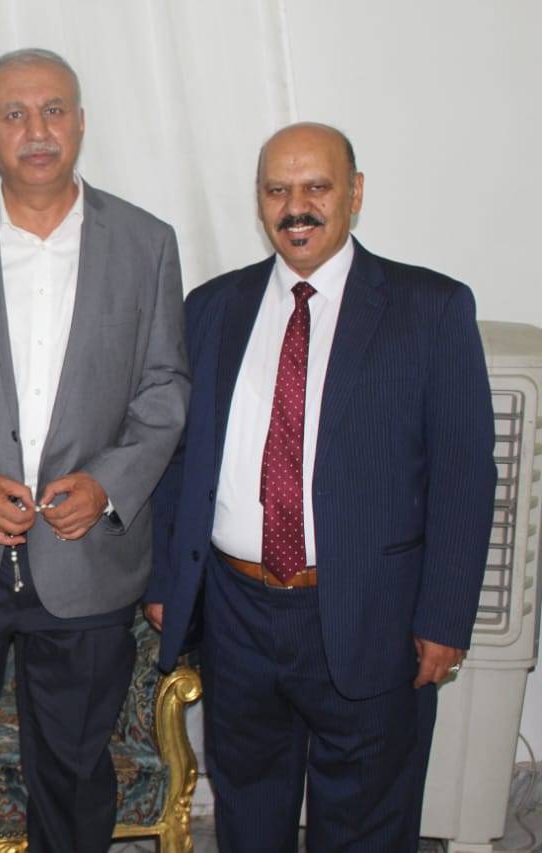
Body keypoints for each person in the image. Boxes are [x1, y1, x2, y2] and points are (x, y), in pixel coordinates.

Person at [144, 122, 496, 851]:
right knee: (248, 814)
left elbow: (464, 473)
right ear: (259, 200)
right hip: (236, 613)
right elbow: (179, 457)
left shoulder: (430, 308)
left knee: (365, 824)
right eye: (277, 190)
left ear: (355, 193)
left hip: (373, 612)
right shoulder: (213, 307)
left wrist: (444, 616)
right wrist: (166, 580)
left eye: (316, 187)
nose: (295, 207)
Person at [0, 48, 189, 852]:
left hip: (85, 559)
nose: (36, 129)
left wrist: (110, 484)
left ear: (81, 123)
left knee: (76, 783)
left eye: (53, 110)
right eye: (14, 114)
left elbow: (165, 387)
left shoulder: (147, 242)